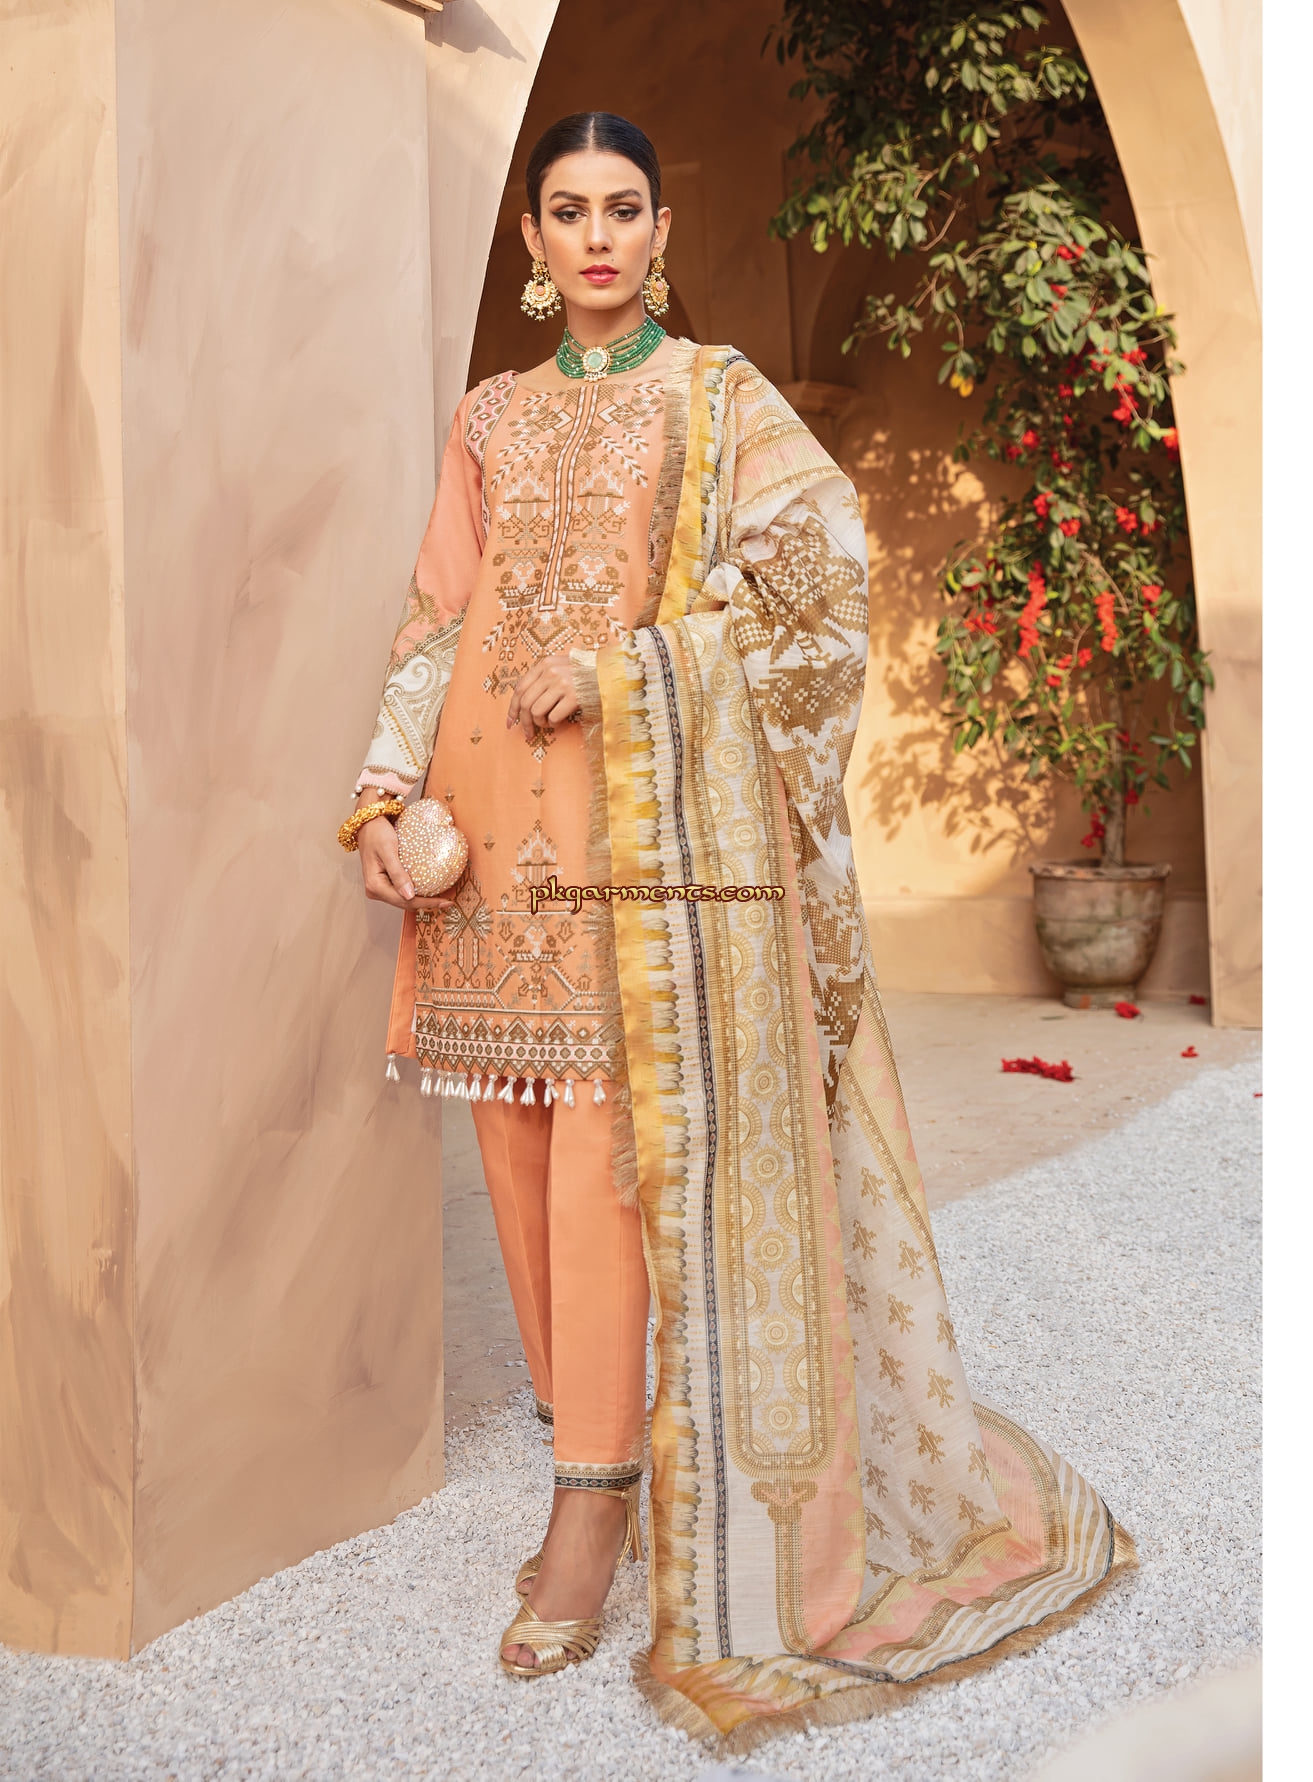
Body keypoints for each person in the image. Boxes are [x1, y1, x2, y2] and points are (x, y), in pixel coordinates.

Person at [340, 111, 1134, 1749]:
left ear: (657, 231)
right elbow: (435, 619)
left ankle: (590, 1506)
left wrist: (629, 667)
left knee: (603, 1150)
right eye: (567, 212)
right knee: (510, 1144)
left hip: (641, 837)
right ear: (531, 242)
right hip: (482, 840)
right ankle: (598, 1433)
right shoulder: (488, 417)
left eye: (623, 208)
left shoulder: (716, 398)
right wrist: (376, 795)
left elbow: (817, 593)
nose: (596, 237)